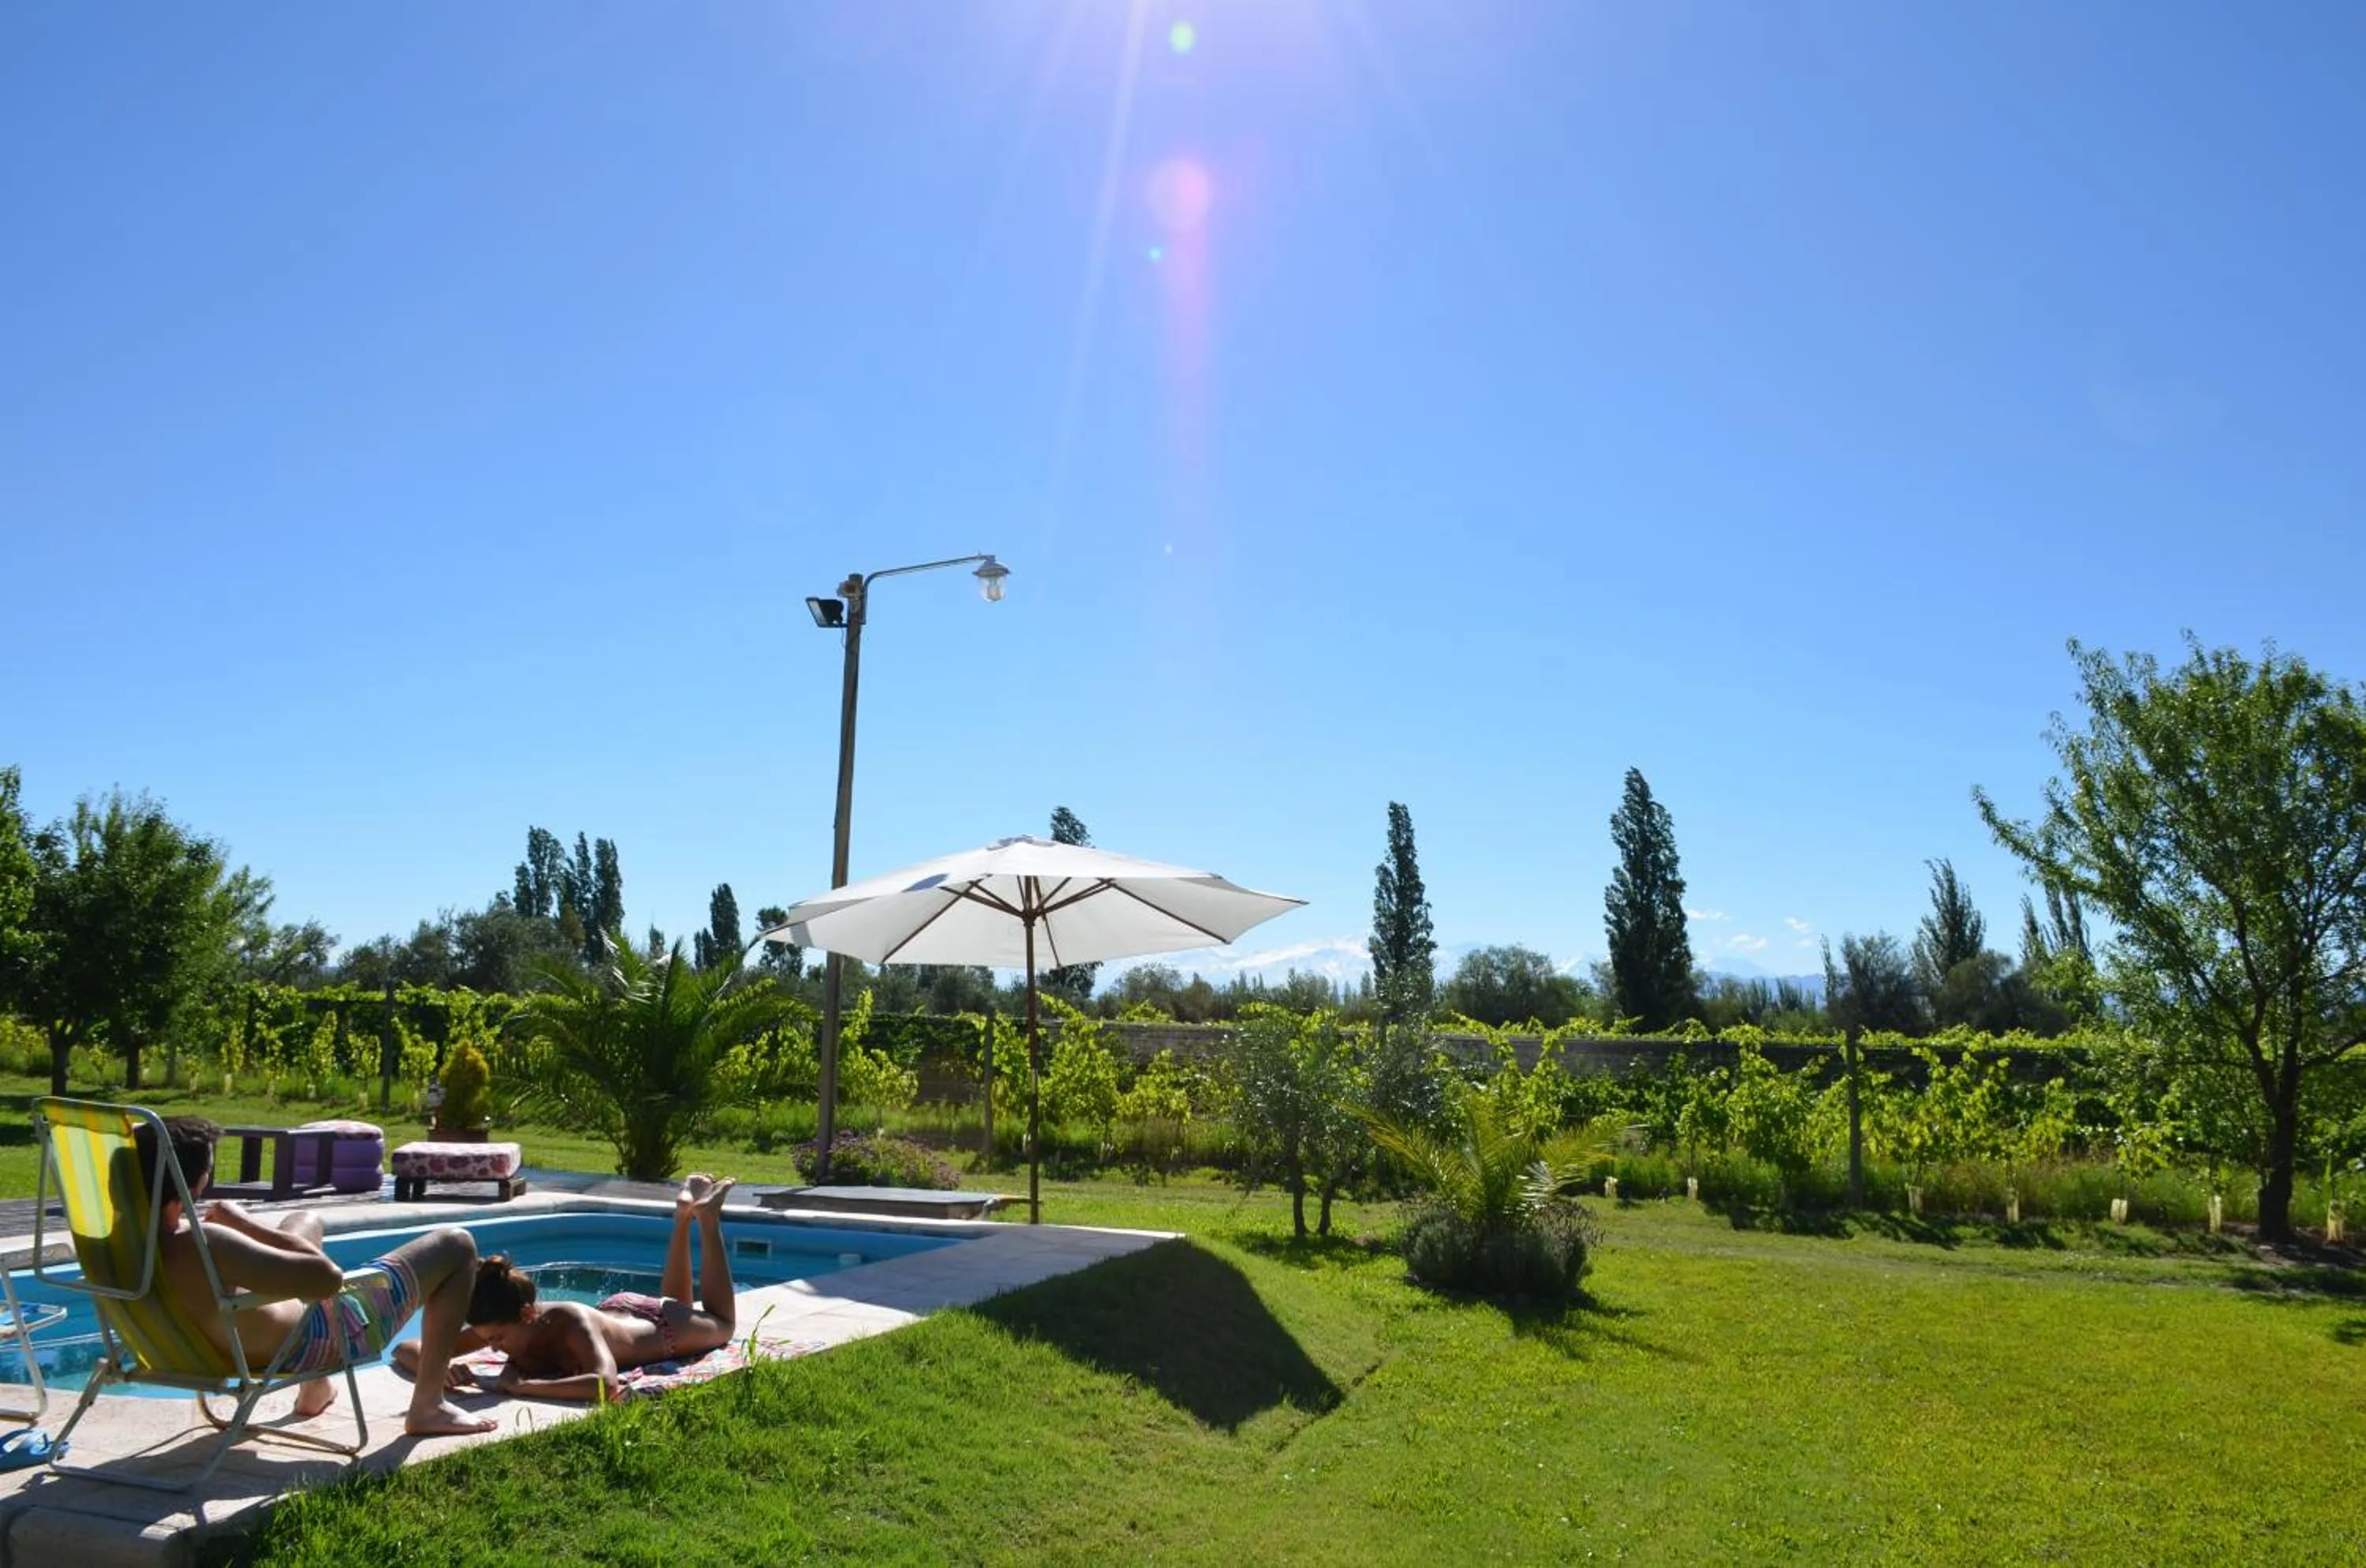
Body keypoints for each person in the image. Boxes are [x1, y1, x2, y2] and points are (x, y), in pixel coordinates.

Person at [134, 1114, 498, 1437]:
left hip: (224, 1344)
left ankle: (315, 1388)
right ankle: (429, 1407)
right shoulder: (206, 1243)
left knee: (306, 1221)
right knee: (457, 1245)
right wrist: (244, 1225)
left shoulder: (123, 1250)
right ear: (194, 1182)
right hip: (322, 1337)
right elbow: (328, 1279)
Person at [424, 1174, 739, 1402]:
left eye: (498, 1339)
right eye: (490, 1339)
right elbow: (409, 1351)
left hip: (662, 1327)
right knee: (679, 1303)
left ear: (528, 1314)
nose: (493, 1348)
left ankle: (708, 1219)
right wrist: (446, 1370)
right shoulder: (506, 1320)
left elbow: (605, 1384)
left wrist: (524, 1388)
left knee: (723, 1324)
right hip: (616, 1311)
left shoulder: (572, 1323)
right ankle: (682, 1217)